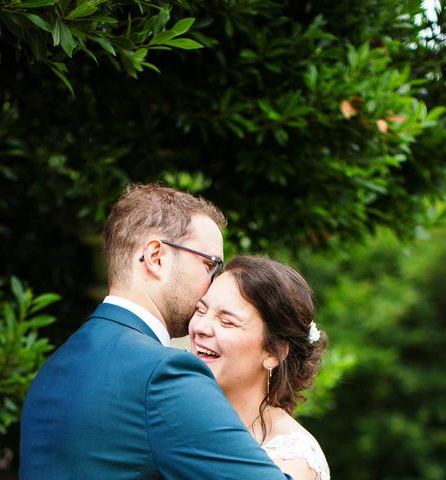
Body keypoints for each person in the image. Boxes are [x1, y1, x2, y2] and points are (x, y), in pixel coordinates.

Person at [19, 184, 291, 479]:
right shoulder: (164, 375)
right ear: (156, 257)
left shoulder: (56, 366)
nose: (213, 283)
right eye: (209, 264)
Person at [189, 255, 330, 480]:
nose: (201, 327)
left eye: (227, 322)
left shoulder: (292, 460)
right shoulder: (178, 417)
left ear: (273, 353)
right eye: (201, 310)